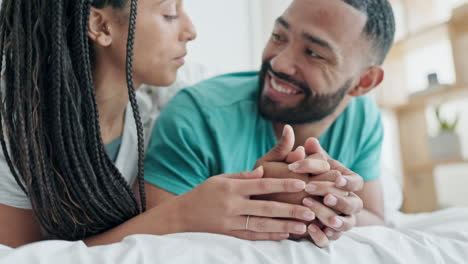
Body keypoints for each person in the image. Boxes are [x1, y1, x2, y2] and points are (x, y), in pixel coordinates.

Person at [0, 0, 320, 248]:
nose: (191, 30)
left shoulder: (181, 96)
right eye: (169, 13)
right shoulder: (13, 129)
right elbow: (24, 258)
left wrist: (268, 188)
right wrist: (180, 215)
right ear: (101, 25)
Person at [144, 0, 396, 247]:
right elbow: (152, 240)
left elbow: (375, 219)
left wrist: (331, 207)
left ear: (364, 81)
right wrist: (268, 201)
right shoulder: (196, 116)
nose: (279, 63)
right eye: (279, 36)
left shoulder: (362, 119)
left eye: (314, 53)